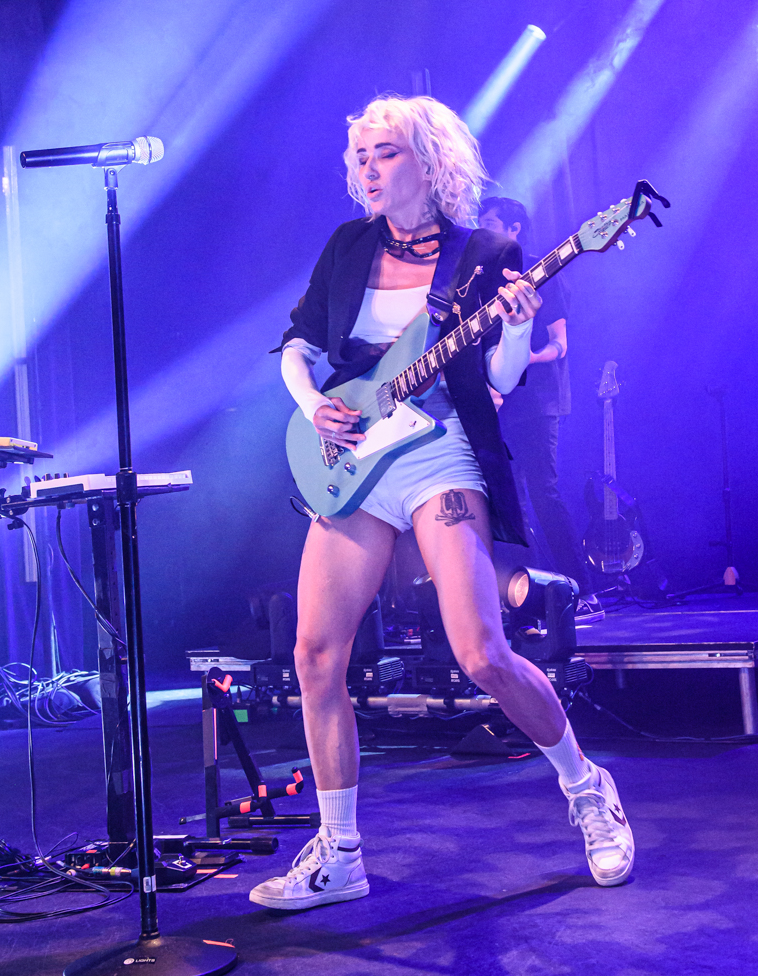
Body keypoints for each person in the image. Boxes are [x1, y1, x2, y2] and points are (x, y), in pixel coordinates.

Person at [250, 96, 633, 911]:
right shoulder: (347, 246)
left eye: (383, 153)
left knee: (481, 653)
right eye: (358, 156)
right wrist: (312, 406)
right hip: (353, 457)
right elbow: (296, 346)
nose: (366, 169)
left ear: (427, 162)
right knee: (314, 655)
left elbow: (496, 380)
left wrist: (518, 329)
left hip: (439, 453)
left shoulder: (485, 252)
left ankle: (586, 788)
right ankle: (340, 854)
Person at [478, 197, 603, 620]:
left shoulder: (541, 271)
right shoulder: (481, 280)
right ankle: (524, 601)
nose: (480, 228)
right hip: (497, 404)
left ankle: (584, 594)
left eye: (490, 222)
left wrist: (523, 358)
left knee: (543, 493)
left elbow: (560, 345)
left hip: (537, 401)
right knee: (508, 505)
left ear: (514, 229)